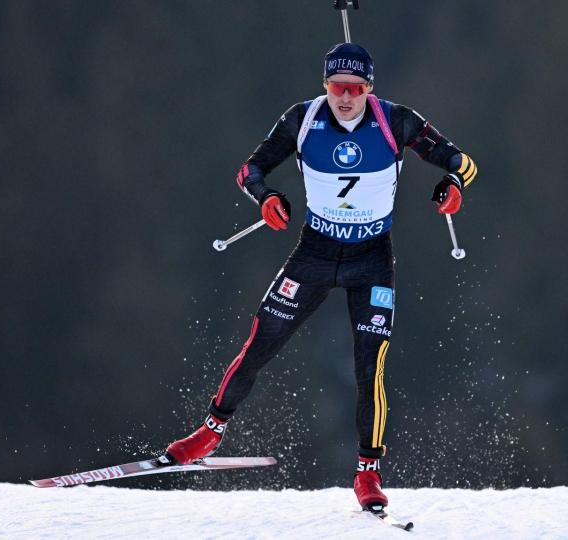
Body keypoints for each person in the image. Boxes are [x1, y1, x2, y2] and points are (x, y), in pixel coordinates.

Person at [165, 43, 477, 510]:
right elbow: (250, 169)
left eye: (354, 89)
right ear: (325, 86)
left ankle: (367, 473)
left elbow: (462, 162)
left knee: (370, 368)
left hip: (371, 258)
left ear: (369, 88)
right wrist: (266, 198)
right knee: (260, 341)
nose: (345, 98)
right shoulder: (303, 119)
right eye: (336, 87)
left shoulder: (396, 120)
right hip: (315, 251)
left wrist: (452, 187)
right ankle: (209, 433)